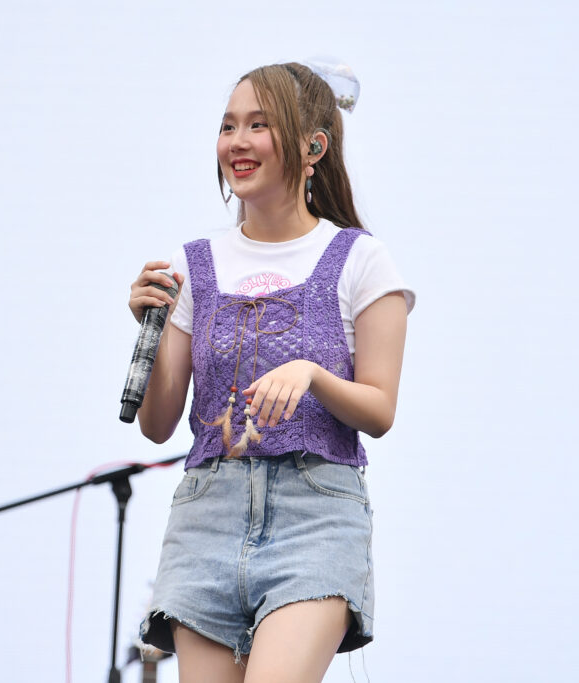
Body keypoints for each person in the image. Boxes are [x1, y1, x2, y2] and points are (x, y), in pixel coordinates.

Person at [128, 62, 414, 683]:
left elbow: (381, 410)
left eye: (259, 125)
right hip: (207, 516)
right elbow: (158, 425)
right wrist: (150, 326)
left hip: (314, 517)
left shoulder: (360, 259)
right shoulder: (191, 263)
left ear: (313, 147)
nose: (238, 141)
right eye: (228, 125)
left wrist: (313, 372)